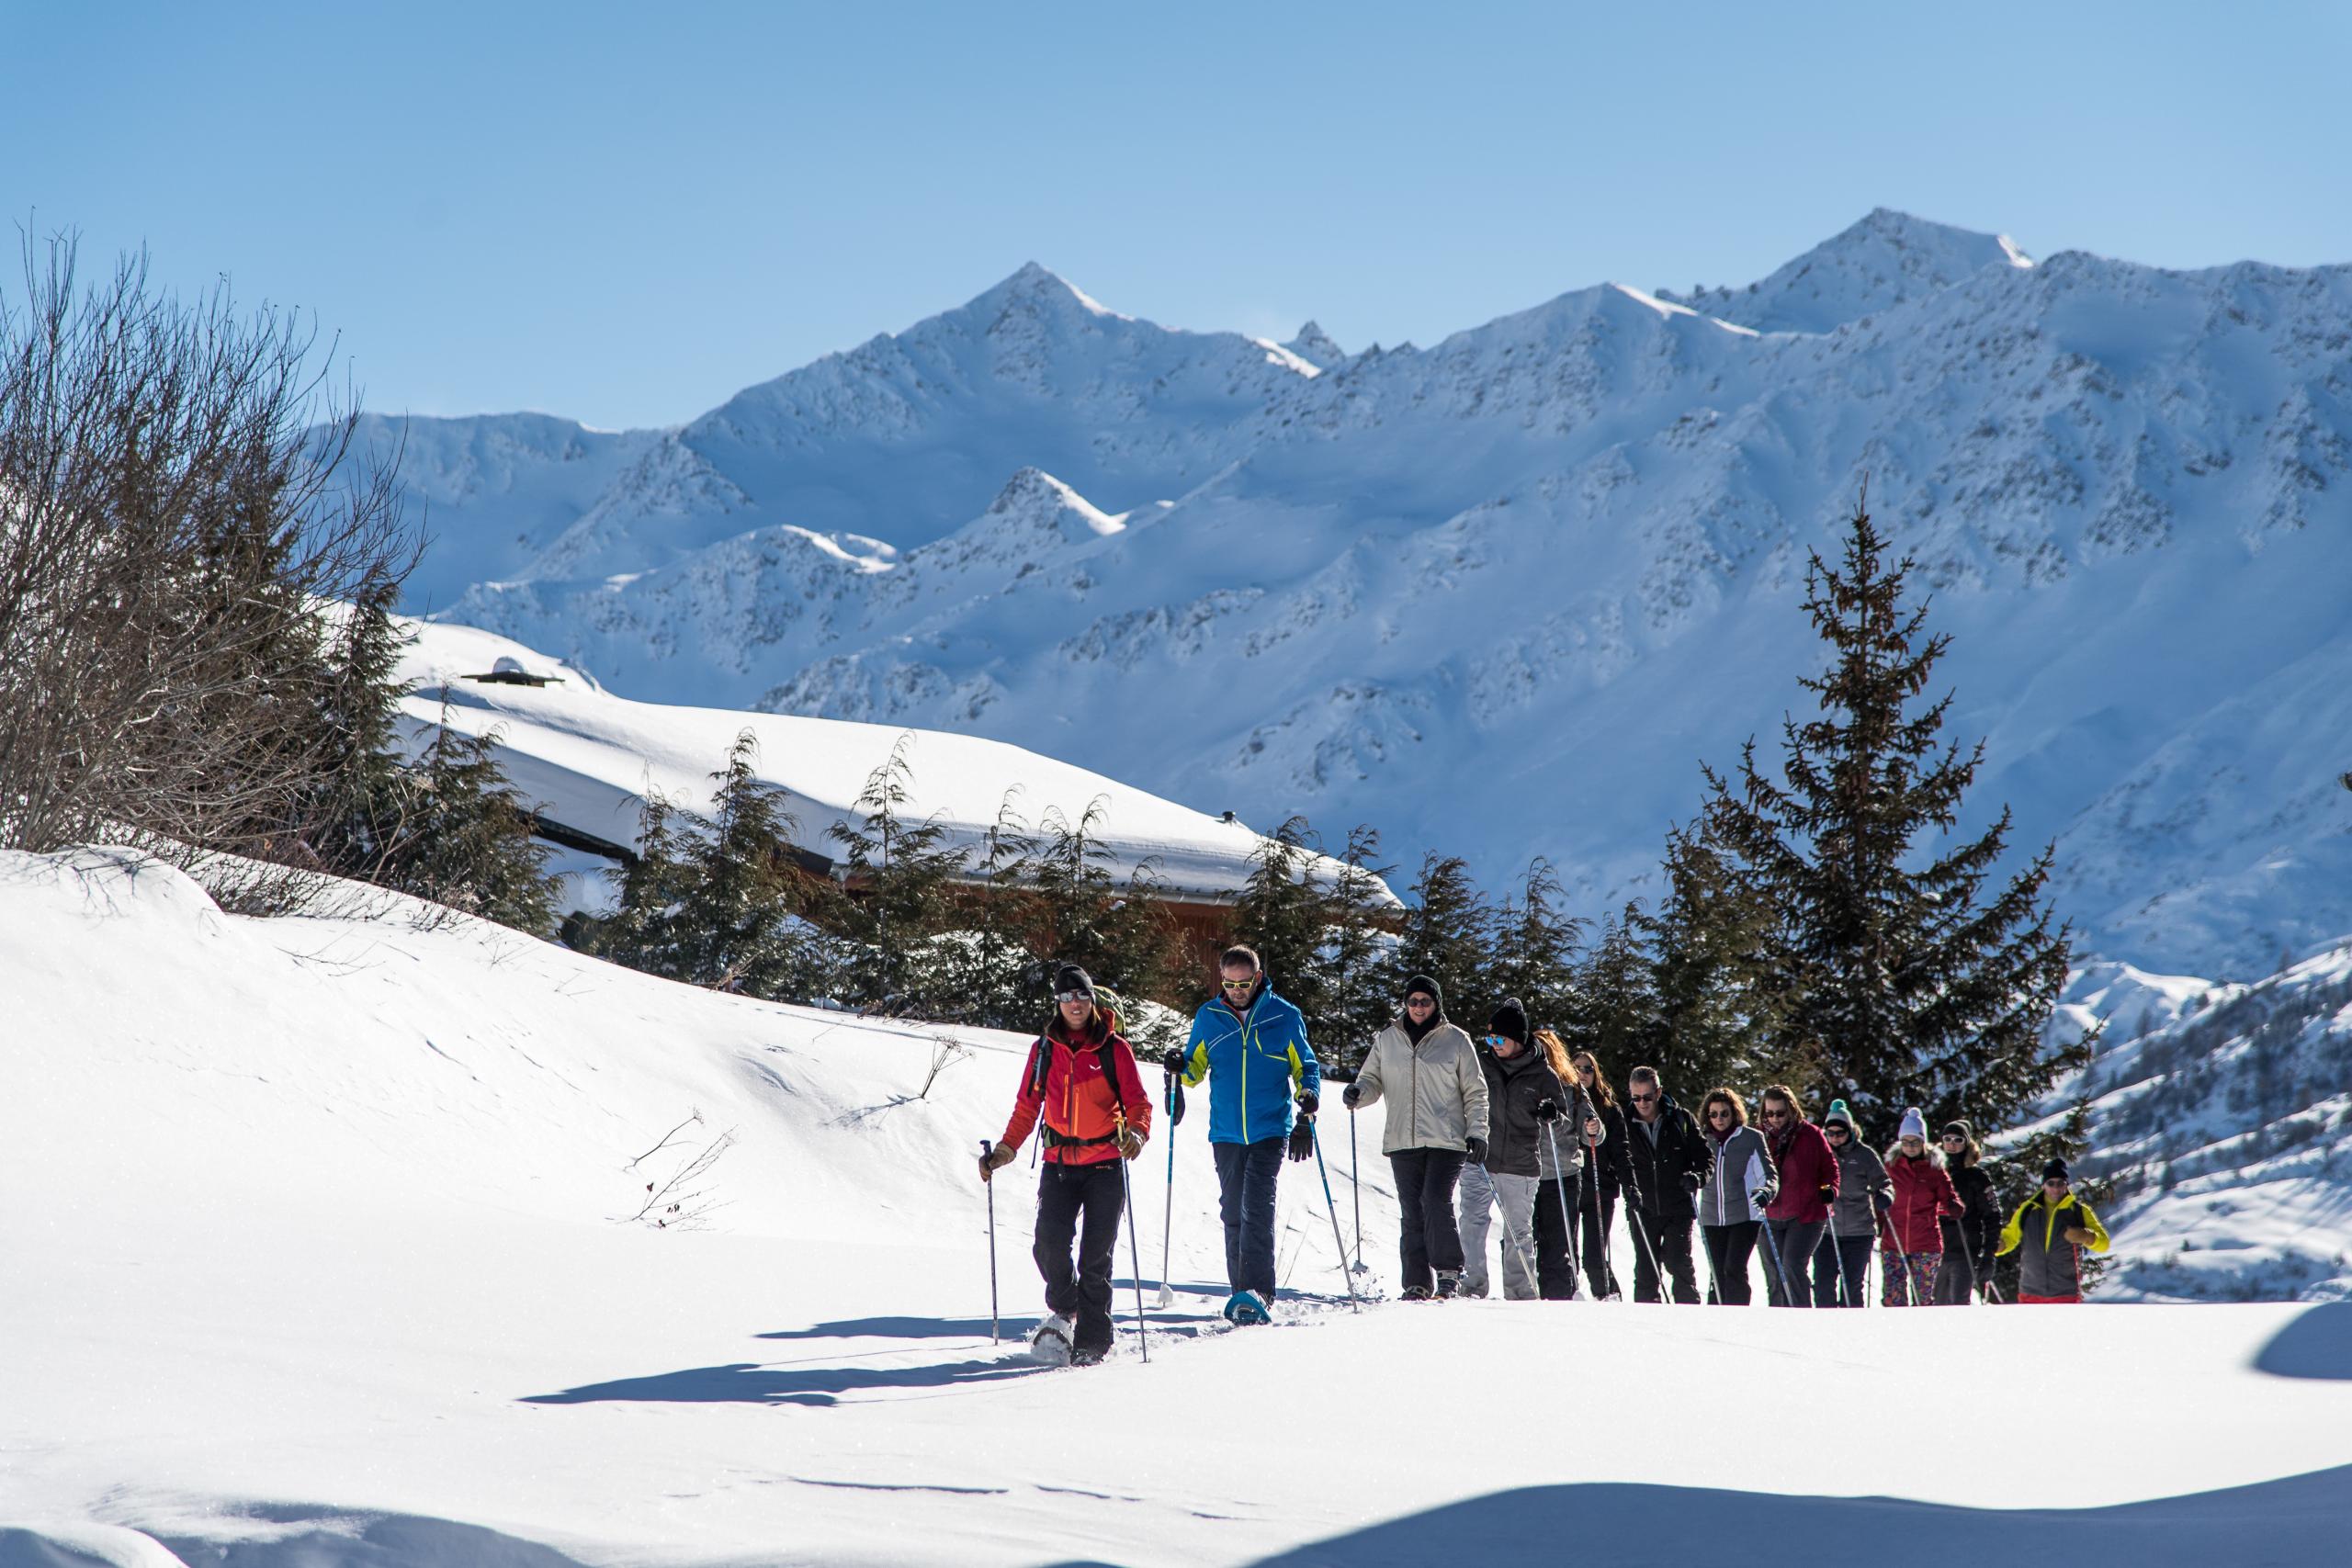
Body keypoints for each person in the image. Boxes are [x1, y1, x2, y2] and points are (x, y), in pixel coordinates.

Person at [978, 964, 1153, 1365]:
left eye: (1081, 996)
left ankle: (1092, 1344)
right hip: (1059, 1165)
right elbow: (1027, 1106)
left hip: (1106, 1166)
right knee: (1048, 1245)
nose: (1074, 1004)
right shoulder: (1044, 1050)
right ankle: (1066, 1306)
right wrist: (1006, 1149)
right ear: (1057, 1003)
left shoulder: (1113, 1049)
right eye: (1066, 997)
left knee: (1096, 1258)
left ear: (1092, 1000)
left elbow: (1139, 1102)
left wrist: (1138, 1134)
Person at [1165, 944, 1319, 1323]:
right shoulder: (1209, 1017)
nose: (1237, 990)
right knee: (1233, 1211)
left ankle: (1259, 1292)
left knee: (1257, 1207)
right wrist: (1176, 1069)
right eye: (1230, 983)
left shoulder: (1284, 1015)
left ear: (1258, 977)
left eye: (1244, 983)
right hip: (1227, 1132)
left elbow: (1306, 1066)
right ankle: (1240, 1293)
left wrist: (1308, 1102)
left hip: (1270, 1128)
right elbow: (1194, 1069)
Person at [1342, 973, 1488, 1301]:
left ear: (1436, 1003)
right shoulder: (1388, 1039)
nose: (1418, 1007)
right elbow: (1371, 1079)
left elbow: (1476, 1092)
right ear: (1405, 1004)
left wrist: (1478, 1132)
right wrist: (1358, 1093)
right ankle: (1416, 1283)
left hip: (1446, 1140)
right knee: (1412, 1210)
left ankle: (1449, 1273)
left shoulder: (1457, 1039)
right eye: (1412, 1001)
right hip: (1401, 1140)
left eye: (1425, 1001)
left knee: (1435, 1201)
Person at [1457, 998, 1563, 1300]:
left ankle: (1520, 1293)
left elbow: (1563, 1119)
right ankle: (1471, 1286)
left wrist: (1551, 1112)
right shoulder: (1481, 1066)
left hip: (1521, 1162)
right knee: (1471, 1222)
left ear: (1518, 1038)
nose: (1494, 1044)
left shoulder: (1543, 1075)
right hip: (1480, 1160)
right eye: (1490, 1038)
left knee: (1518, 1231)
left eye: (1500, 1038)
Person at [1621, 1066, 1712, 1304]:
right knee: (1646, 1270)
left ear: (1658, 1093)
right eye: (1636, 1097)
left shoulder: (1680, 1119)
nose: (1642, 1103)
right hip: (1643, 1208)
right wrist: (1627, 1187)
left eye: (1647, 1097)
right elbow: (1618, 1160)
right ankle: (1647, 1323)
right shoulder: (1625, 1123)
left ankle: (1688, 1312)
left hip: (1678, 1205)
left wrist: (1697, 1177)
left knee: (1677, 1262)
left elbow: (1705, 1157)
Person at [1527, 1026, 1600, 1300]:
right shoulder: (1524, 1082)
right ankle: (1526, 1297)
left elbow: (1591, 1128)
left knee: (1559, 1243)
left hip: (1563, 1172)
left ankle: (1559, 1298)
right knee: (1527, 1241)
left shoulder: (1573, 1088)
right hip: (1528, 1172)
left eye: (1544, 1052)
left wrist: (1593, 1128)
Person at [1568, 1048, 1642, 1300]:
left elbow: (1622, 1151)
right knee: (1568, 1254)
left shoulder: (1609, 1108)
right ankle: (1567, 1297)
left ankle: (1609, 1296)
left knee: (1594, 1256)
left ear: (1596, 1073)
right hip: (1570, 1185)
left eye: (1588, 1069)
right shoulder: (1565, 1100)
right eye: (1577, 1068)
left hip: (1600, 1188)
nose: (1582, 1073)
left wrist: (1630, 1185)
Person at [1757, 1084, 1838, 1308]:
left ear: (1791, 1110)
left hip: (1806, 1215)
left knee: (1792, 1265)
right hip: (1769, 1214)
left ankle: (1800, 1315)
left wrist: (1829, 1188)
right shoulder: (1758, 1136)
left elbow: (1829, 1169)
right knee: (1773, 1271)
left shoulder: (1810, 1135)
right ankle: (1777, 1316)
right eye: (1769, 1113)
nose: (1774, 1119)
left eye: (1780, 1113)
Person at [1697, 1088, 1777, 1305]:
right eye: (1713, 1114)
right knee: (1717, 1271)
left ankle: (1738, 1315)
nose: (1719, 1119)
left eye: (1724, 1113)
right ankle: (1715, 1318)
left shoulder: (1751, 1138)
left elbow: (1769, 1175)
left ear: (1734, 1113)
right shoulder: (1702, 1140)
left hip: (1745, 1215)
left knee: (1733, 1267)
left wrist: (1766, 1191)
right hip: (1712, 1216)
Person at [1811, 1099, 1890, 1307]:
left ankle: (1851, 1327)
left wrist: (1884, 1194)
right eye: (1831, 1133)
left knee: (1852, 1285)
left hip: (1859, 1231)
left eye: (1841, 1133)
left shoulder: (1864, 1154)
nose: (1835, 1138)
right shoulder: (1820, 1153)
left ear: (1851, 1131)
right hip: (1826, 1230)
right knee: (1823, 1285)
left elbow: (1883, 1181)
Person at [1996, 1158, 2110, 1303]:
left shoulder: (2079, 1212)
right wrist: (1996, 1246)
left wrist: (2086, 1236)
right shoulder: (2027, 1209)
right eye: (2051, 1183)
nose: (2056, 1188)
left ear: (2066, 1185)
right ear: (2043, 1185)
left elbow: (2104, 1243)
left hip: (2065, 1293)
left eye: (2060, 1183)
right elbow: (2010, 1237)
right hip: (2030, 1293)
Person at [1883, 1107, 1962, 1306]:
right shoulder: (1891, 1167)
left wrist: (1953, 1205)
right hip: (1894, 1241)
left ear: (1923, 1142)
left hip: (1925, 1243)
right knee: (1894, 1299)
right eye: (1906, 1142)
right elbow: (1880, 1192)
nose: (1910, 1147)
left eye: (1915, 1142)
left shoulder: (1934, 1169)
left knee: (1923, 1299)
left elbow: (1947, 1194)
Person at [1936, 1121, 2003, 1305]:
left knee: (1958, 1305)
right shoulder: (1933, 1172)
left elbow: (1993, 1216)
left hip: (1965, 1250)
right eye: (1947, 1139)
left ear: (1967, 1143)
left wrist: (1989, 1255)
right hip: (1934, 1249)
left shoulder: (1977, 1177)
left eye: (1958, 1139)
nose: (1952, 1144)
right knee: (1932, 1307)